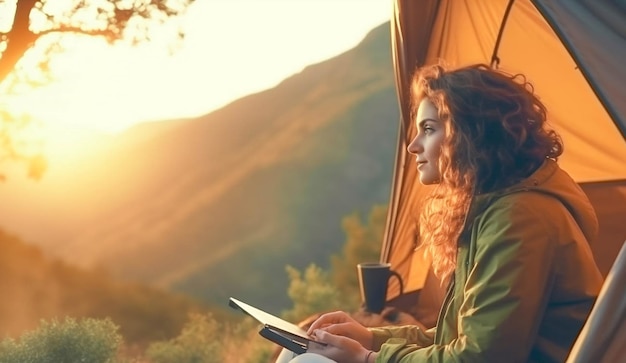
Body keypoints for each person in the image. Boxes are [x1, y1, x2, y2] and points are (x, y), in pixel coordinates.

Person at [278, 63, 604, 363]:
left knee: (306, 361)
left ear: (470, 135)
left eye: (429, 129)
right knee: (300, 353)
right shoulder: (494, 211)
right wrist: (369, 338)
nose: (413, 145)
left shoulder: (520, 218)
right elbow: (461, 337)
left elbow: (480, 357)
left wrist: (368, 359)